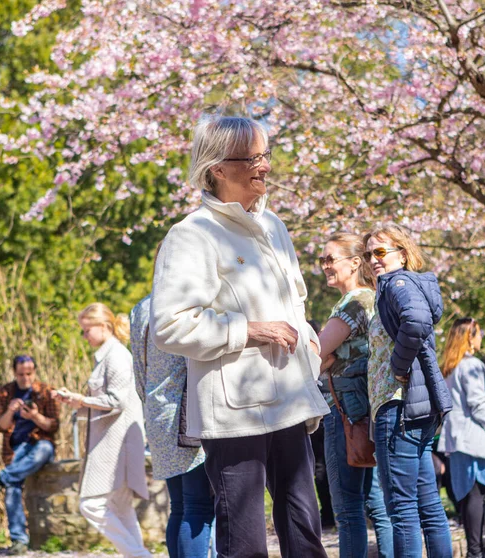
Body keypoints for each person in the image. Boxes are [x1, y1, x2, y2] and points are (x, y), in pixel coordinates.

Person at [150, 115, 330, 558]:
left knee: (306, 533)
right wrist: (248, 330)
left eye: (266, 154)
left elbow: (296, 302)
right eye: (252, 158)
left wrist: (308, 344)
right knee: (245, 541)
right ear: (217, 168)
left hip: (291, 398)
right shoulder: (190, 235)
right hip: (235, 414)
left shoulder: (275, 228)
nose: (265, 166)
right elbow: (170, 325)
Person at [364, 223, 453, 558]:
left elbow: (416, 322)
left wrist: (399, 366)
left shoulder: (397, 283)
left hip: (398, 408)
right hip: (414, 408)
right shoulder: (404, 285)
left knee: (401, 508)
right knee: (427, 503)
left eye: (381, 251)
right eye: (368, 253)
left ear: (402, 252)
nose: (373, 259)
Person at [54, 303, 151, 558]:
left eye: (87, 330)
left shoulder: (117, 356)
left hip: (118, 444)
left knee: (91, 505)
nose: (84, 336)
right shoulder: (107, 356)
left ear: (104, 327)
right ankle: (139, 554)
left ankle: (140, 554)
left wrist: (80, 399)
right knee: (121, 507)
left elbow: (115, 401)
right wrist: (77, 400)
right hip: (113, 442)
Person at [318, 232, 393, 558]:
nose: (324, 266)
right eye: (322, 260)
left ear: (353, 263)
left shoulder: (354, 302)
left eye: (330, 259)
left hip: (345, 410)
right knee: (375, 501)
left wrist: (323, 360)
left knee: (347, 507)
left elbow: (313, 352)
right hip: (365, 408)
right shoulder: (371, 298)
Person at [130, 285, 214, 557]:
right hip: (186, 415)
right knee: (198, 507)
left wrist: (153, 404)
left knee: (179, 506)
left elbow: (139, 374)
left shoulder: (141, 307)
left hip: (157, 414)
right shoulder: (186, 304)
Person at [0, 355, 60, 555]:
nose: (25, 378)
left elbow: (53, 426)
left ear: (34, 371)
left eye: (29, 373)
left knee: (43, 449)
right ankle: (19, 540)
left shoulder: (45, 391)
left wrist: (34, 416)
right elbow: (1, 426)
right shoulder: (6, 392)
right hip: (15, 449)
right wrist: (10, 410)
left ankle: (1, 477)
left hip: (40, 445)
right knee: (13, 487)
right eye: (20, 374)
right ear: (14, 372)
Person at [437, 317, 485, 558]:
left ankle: (476, 549)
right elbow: (479, 404)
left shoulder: (451, 367)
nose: (481, 337)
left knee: (467, 494)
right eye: (479, 333)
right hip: (475, 439)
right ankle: (476, 551)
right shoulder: (471, 366)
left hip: (456, 440)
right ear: (469, 337)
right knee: (478, 494)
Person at [307, 318, 336, 530]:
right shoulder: (323, 353)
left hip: (325, 415)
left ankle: (328, 513)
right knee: (321, 468)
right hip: (321, 416)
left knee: (322, 468)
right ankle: (327, 513)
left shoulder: (322, 354)